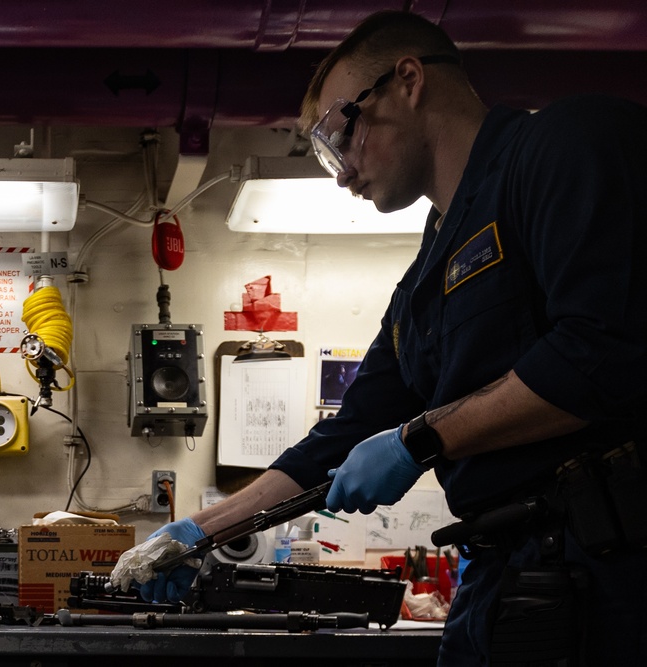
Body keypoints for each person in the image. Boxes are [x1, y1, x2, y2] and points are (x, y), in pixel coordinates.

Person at [112, 10, 647, 666]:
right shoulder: (425, 282)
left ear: (409, 81)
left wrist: (421, 437)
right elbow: (339, 441)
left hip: (613, 574)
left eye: (340, 135)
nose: (342, 173)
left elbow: (606, 354)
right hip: (503, 580)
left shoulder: (564, 147)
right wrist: (198, 533)